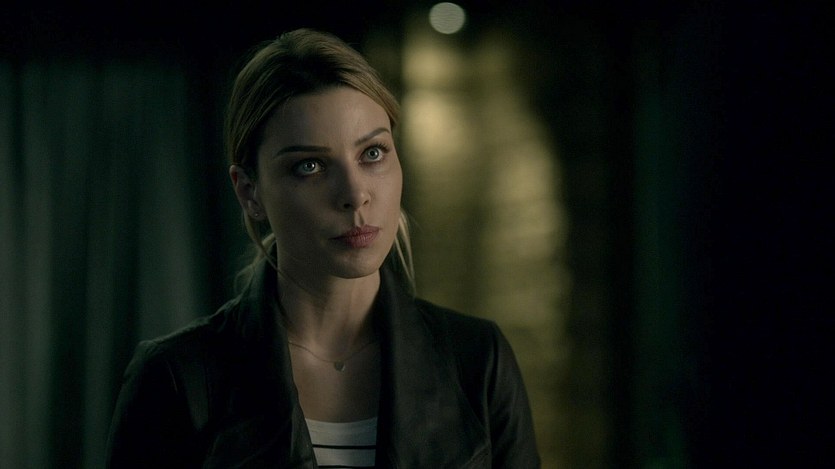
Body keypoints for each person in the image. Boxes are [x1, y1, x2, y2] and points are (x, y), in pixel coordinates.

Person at [105, 28, 540, 468]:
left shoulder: (477, 361)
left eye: (373, 153)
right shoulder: (177, 379)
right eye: (309, 166)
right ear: (249, 192)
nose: (354, 194)